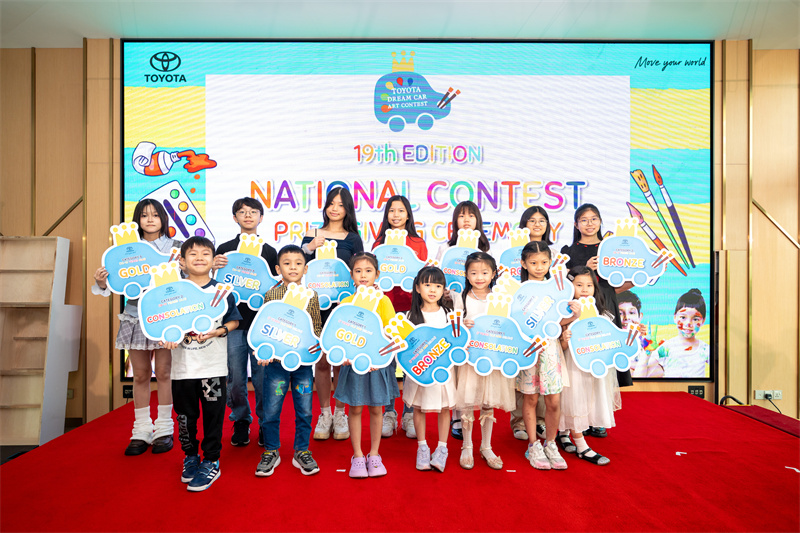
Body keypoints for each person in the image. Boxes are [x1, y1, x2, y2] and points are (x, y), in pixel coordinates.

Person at [92, 199, 182, 455]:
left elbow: (185, 282)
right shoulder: (123, 249)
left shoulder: (176, 247)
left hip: (165, 317)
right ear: (137, 220)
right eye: (144, 215)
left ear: (163, 218)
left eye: (155, 215)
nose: (150, 219)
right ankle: (141, 430)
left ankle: (164, 428)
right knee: (140, 375)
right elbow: (114, 284)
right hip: (135, 315)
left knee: (164, 373)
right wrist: (102, 282)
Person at [162, 237, 241, 491]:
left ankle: (211, 460)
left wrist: (219, 331)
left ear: (213, 260)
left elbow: (234, 320)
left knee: (213, 416)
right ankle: (190, 456)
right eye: (193, 254)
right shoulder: (173, 291)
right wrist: (166, 337)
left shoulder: (221, 291)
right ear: (182, 261)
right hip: (183, 369)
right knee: (185, 417)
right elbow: (162, 323)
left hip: (213, 369)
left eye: (205, 253)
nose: (199, 258)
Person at [560, 203, 632, 439]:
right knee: (578, 360)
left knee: (602, 358)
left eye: (594, 219)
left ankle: (598, 417)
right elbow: (563, 282)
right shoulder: (568, 251)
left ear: (601, 221)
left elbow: (624, 281)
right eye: (584, 219)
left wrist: (640, 275)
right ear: (576, 224)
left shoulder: (611, 247)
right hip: (577, 309)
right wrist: (584, 270)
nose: (589, 223)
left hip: (605, 304)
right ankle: (577, 417)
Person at [214, 197, 278, 448]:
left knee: (263, 378)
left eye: (253, 212)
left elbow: (276, 287)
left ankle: (264, 422)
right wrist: (213, 266)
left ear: (261, 217)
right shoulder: (225, 249)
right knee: (236, 378)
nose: (248, 215)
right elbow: (213, 284)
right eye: (242, 212)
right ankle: (241, 419)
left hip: (261, 325)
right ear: (235, 218)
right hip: (232, 323)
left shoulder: (269, 251)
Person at [255, 245, 323, 477]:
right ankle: (271, 450)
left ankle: (301, 451)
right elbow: (263, 327)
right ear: (278, 268)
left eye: (298, 263)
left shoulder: (311, 296)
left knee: (304, 410)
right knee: (271, 410)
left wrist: (316, 346)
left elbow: (316, 327)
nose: (293, 267)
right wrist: (264, 351)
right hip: (276, 365)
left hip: (302, 365)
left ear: (305, 268)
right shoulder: (271, 295)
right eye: (287, 263)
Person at [301, 187, 364, 442]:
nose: (335, 209)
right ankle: (324, 413)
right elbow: (297, 266)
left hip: (342, 307)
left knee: (339, 360)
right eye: (331, 203)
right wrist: (308, 247)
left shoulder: (353, 238)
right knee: (321, 361)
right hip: (316, 306)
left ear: (347, 209)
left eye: (340, 204)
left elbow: (360, 270)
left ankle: (340, 413)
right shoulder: (312, 233)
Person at [333, 252, 399, 478]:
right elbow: (338, 336)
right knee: (355, 408)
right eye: (358, 271)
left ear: (377, 274)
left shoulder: (384, 301)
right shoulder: (346, 303)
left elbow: (391, 333)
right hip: (353, 365)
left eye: (368, 271)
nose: (363, 275)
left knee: (376, 408)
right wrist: (344, 355)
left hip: (377, 365)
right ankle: (358, 455)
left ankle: (375, 454)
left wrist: (377, 358)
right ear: (351, 275)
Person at [371, 195, 427, 439]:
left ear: (408, 215)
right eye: (391, 211)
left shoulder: (418, 242)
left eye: (401, 210)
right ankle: (389, 412)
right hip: (385, 309)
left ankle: (409, 413)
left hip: (411, 309)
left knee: (410, 361)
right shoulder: (379, 242)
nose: (396, 215)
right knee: (387, 363)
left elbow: (423, 276)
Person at [453, 252, 515, 470]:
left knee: (488, 402)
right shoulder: (461, 297)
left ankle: (486, 446)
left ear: (493, 274)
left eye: (484, 272)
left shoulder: (501, 297)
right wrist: (462, 324)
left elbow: (508, 326)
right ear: (466, 275)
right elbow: (453, 328)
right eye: (473, 273)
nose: (479, 277)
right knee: (468, 402)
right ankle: (467, 446)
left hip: (493, 358)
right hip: (470, 359)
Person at [435, 201, 491, 440]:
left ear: (478, 220)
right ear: (455, 221)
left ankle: (478, 415)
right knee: (457, 366)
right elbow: (437, 279)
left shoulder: (486, 250)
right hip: (452, 310)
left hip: (478, 315)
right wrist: (444, 294)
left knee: (476, 367)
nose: (466, 220)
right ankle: (457, 415)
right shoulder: (445, 249)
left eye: (471, 216)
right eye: (461, 216)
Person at [557, 266, 620, 466]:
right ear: (570, 286)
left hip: (594, 366)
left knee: (588, 399)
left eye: (589, 285)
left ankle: (564, 433)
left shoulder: (602, 313)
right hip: (572, 365)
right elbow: (561, 347)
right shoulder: (563, 311)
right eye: (579, 285)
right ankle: (581, 445)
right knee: (573, 399)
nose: (584, 289)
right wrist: (565, 338)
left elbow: (610, 340)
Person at [516, 241, 568, 470]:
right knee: (531, 398)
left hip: (550, 349)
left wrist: (574, 315)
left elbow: (559, 320)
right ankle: (533, 445)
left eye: (544, 262)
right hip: (528, 349)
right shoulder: (518, 292)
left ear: (550, 263)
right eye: (534, 262)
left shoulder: (557, 289)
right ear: (523, 263)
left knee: (553, 400)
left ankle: (551, 443)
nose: (539, 267)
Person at [402, 266, 457, 472]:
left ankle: (442, 448)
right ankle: (422, 447)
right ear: (417, 288)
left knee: (445, 408)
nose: (432, 290)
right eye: (427, 285)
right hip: (419, 372)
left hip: (444, 372)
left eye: (438, 285)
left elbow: (457, 341)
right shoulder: (409, 316)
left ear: (444, 289)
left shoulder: (450, 315)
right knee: (418, 407)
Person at [510, 206, 552, 441]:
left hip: (547, 331)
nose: (537, 224)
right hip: (522, 329)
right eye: (532, 220)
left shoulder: (555, 253)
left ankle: (541, 421)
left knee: (544, 378)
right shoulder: (512, 253)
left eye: (541, 220)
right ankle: (519, 421)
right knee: (522, 378)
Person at [656, 289, 710, 378]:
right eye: (683, 317)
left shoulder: (705, 349)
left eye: (695, 319)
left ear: (703, 321)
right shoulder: (666, 347)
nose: (688, 323)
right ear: (675, 317)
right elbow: (645, 369)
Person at [618, 291, 662, 377]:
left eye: (631, 313)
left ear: (640, 317)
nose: (627, 317)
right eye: (620, 313)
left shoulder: (644, 340)